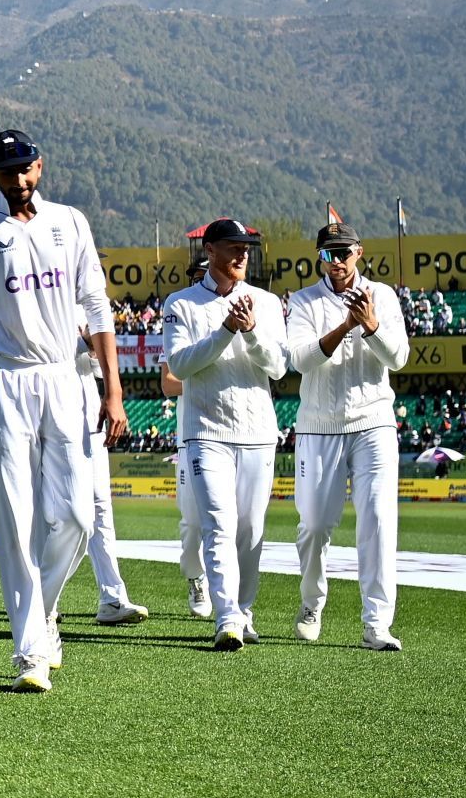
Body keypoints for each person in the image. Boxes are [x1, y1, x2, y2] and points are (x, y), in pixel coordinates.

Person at [0, 129, 126, 693]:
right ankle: (29, 654)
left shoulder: (70, 222)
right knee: (15, 520)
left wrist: (112, 390)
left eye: (27, 168)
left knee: (77, 517)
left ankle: (43, 609)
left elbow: (96, 306)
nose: (19, 179)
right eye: (7, 171)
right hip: (5, 380)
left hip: (67, 378)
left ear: (39, 168)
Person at [161, 218, 288, 650]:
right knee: (218, 524)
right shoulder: (180, 304)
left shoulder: (267, 304)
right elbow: (179, 365)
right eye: (233, 247)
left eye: (246, 248)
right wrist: (226, 331)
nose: (241, 255)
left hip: (257, 431)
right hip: (205, 432)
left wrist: (250, 332)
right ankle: (227, 616)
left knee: (250, 531)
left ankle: (244, 610)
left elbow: (278, 367)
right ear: (209, 250)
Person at [286, 222, 410, 650]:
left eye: (343, 253)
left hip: (374, 422)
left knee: (377, 520)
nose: (336, 262)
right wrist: (345, 326)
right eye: (328, 254)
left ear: (359, 252)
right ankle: (311, 601)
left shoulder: (385, 296)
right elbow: (300, 360)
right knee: (316, 524)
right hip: (319, 426)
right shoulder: (303, 301)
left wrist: (371, 324)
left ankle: (376, 623)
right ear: (318, 256)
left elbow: (399, 358)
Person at [73, 323, 149, 626]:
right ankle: (41, 597)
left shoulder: (82, 300)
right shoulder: (31, 288)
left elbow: (97, 370)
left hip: (88, 417)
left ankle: (112, 597)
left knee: (100, 508)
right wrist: (82, 342)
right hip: (46, 418)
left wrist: (92, 348)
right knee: (58, 514)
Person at [161, 264, 212, 619]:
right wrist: (210, 376)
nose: (201, 281)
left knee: (237, 524)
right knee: (193, 522)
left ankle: (235, 601)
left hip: (236, 434)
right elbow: (168, 382)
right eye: (196, 276)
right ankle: (195, 577)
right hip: (191, 435)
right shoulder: (178, 317)